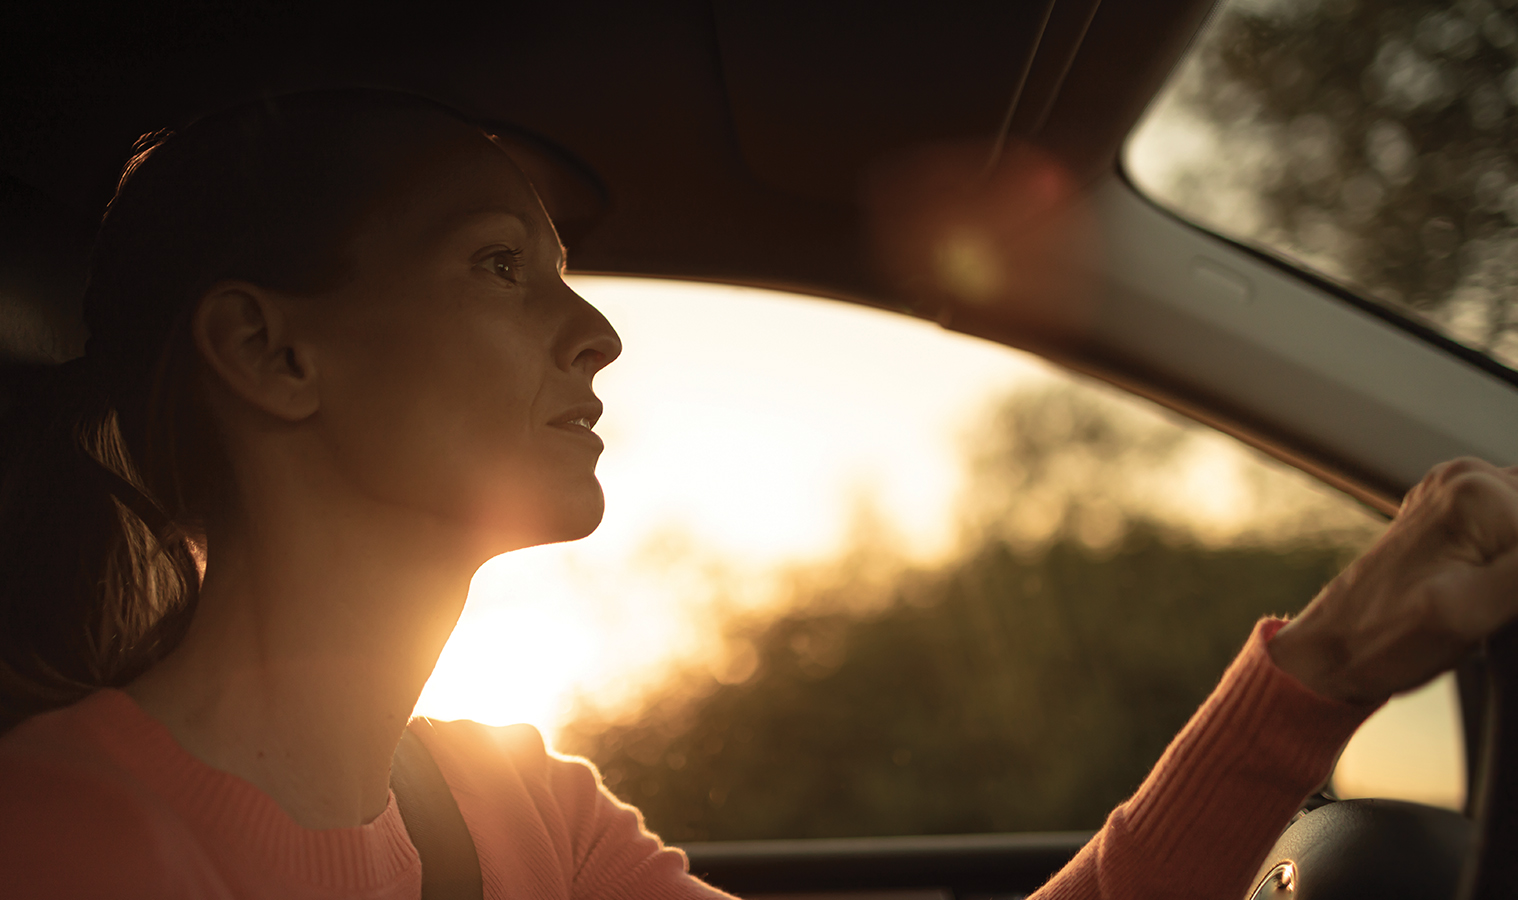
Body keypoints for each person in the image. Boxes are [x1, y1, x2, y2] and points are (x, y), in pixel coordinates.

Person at [1, 88, 1516, 900]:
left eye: (566, 277)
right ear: (270, 350)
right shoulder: (67, 840)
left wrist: (1318, 672)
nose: (591, 333)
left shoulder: (520, 813)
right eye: (498, 265)